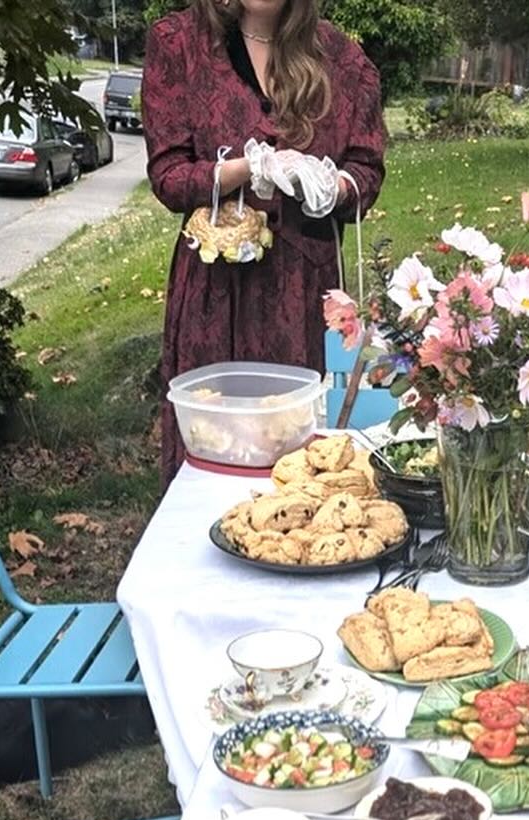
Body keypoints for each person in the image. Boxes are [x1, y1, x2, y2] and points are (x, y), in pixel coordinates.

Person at [142, 0, 386, 484]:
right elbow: (168, 176)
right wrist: (244, 170)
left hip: (302, 293)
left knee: (298, 457)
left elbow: (367, 170)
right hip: (216, 293)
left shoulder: (341, 58)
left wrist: (332, 186)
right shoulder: (179, 42)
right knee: (214, 447)